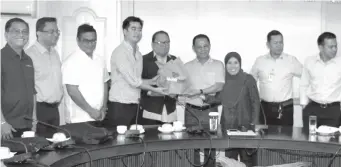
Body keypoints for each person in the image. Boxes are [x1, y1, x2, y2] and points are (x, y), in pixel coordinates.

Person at [108, 16, 167, 127]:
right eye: (133, 29)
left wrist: (151, 81)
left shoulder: (138, 54)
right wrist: (156, 89)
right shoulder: (120, 52)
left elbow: (137, 79)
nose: (137, 32)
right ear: (125, 31)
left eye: (139, 29)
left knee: (134, 140)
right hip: (120, 105)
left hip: (135, 104)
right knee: (120, 141)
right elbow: (134, 82)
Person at [184, 34, 225, 167]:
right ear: (193, 48)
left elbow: (219, 85)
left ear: (210, 46)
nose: (203, 49)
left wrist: (200, 91)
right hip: (191, 111)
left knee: (211, 145)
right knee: (192, 146)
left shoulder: (218, 65)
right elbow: (182, 88)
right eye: (199, 47)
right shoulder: (186, 66)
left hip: (210, 111)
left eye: (205, 46)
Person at [250, 30, 302, 126]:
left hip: (286, 108)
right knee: (265, 138)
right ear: (268, 45)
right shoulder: (260, 61)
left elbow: (306, 76)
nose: (279, 45)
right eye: (275, 43)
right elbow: (251, 82)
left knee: (285, 138)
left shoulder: (291, 60)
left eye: (281, 42)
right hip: (265, 107)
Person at [62, 24, 109, 123]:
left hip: (99, 115)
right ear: (78, 40)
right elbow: (72, 91)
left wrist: (104, 108)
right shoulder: (70, 62)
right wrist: (91, 111)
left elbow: (104, 83)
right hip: (78, 119)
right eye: (86, 41)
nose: (90, 44)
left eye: (93, 40)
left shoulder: (100, 60)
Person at [221, 52, 260, 167]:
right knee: (229, 161)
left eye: (235, 63)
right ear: (225, 64)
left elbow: (255, 103)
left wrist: (254, 124)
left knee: (247, 160)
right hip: (228, 126)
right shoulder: (223, 80)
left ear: (240, 63)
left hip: (246, 127)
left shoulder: (248, 79)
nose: (232, 66)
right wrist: (201, 96)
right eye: (229, 63)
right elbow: (216, 97)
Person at [26, 17, 63, 137]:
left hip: (54, 109)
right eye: (51, 31)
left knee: (55, 148)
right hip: (38, 110)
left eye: (57, 31)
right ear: (38, 33)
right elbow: (28, 87)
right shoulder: (30, 55)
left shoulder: (55, 53)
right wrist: (33, 117)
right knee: (40, 149)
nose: (56, 34)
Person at [1, 18, 36, 139]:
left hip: (26, 125)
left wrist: (34, 119)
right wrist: (2, 123)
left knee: (28, 157)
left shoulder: (28, 60)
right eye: (16, 31)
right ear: (6, 35)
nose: (21, 35)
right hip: (7, 127)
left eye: (25, 31)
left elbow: (32, 92)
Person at [300, 32, 341, 129]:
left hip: (333, 110)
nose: (334, 49)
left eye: (336, 46)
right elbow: (304, 84)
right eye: (331, 47)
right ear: (321, 47)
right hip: (312, 108)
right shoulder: (310, 61)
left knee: (332, 141)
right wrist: (303, 105)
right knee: (310, 140)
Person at [139, 30, 177, 125]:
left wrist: (176, 92)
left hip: (170, 111)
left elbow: (180, 81)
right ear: (153, 44)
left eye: (167, 42)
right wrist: (152, 92)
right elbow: (136, 83)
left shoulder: (174, 60)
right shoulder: (143, 60)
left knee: (171, 139)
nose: (165, 45)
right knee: (151, 139)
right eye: (161, 42)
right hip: (150, 112)